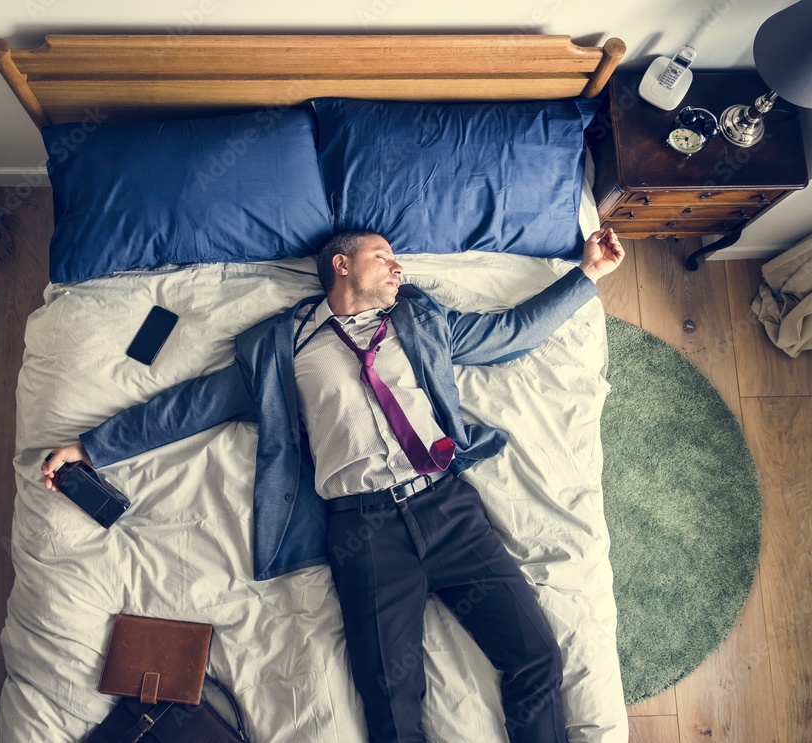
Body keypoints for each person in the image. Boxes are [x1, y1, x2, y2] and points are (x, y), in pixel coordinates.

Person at [42, 228, 624, 743]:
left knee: (536, 656)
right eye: (383, 255)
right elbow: (188, 407)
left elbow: (509, 334)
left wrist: (588, 274)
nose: (399, 267)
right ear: (341, 266)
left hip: (448, 507)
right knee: (392, 710)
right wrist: (90, 446)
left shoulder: (420, 323)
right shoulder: (282, 350)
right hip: (364, 534)